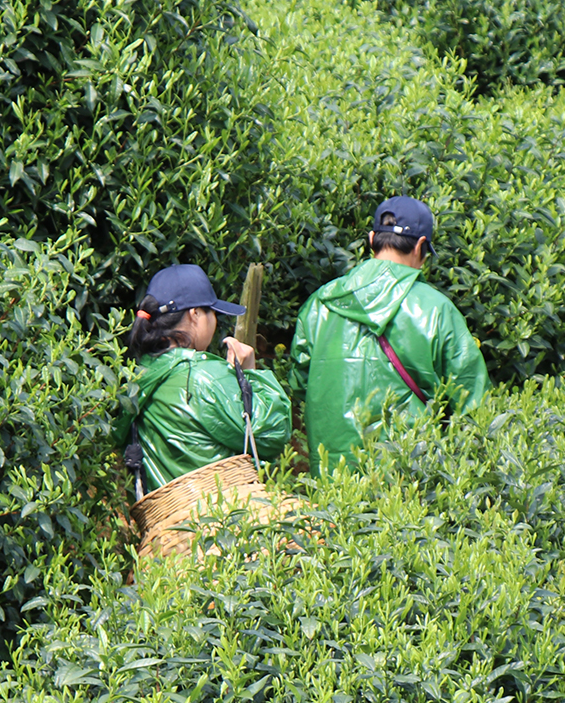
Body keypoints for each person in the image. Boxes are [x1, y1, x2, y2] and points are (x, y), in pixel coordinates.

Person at [288, 197, 489, 473]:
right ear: (420, 246)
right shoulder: (438, 310)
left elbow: (300, 385)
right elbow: (474, 407)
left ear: (371, 240)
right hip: (406, 484)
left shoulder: (319, 304)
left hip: (332, 485)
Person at [114, 264, 291, 495]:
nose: (215, 320)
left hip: (168, 521)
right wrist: (249, 373)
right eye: (212, 312)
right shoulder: (204, 376)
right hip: (219, 516)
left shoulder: (138, 376)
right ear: (194, 313)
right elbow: (273, 432)